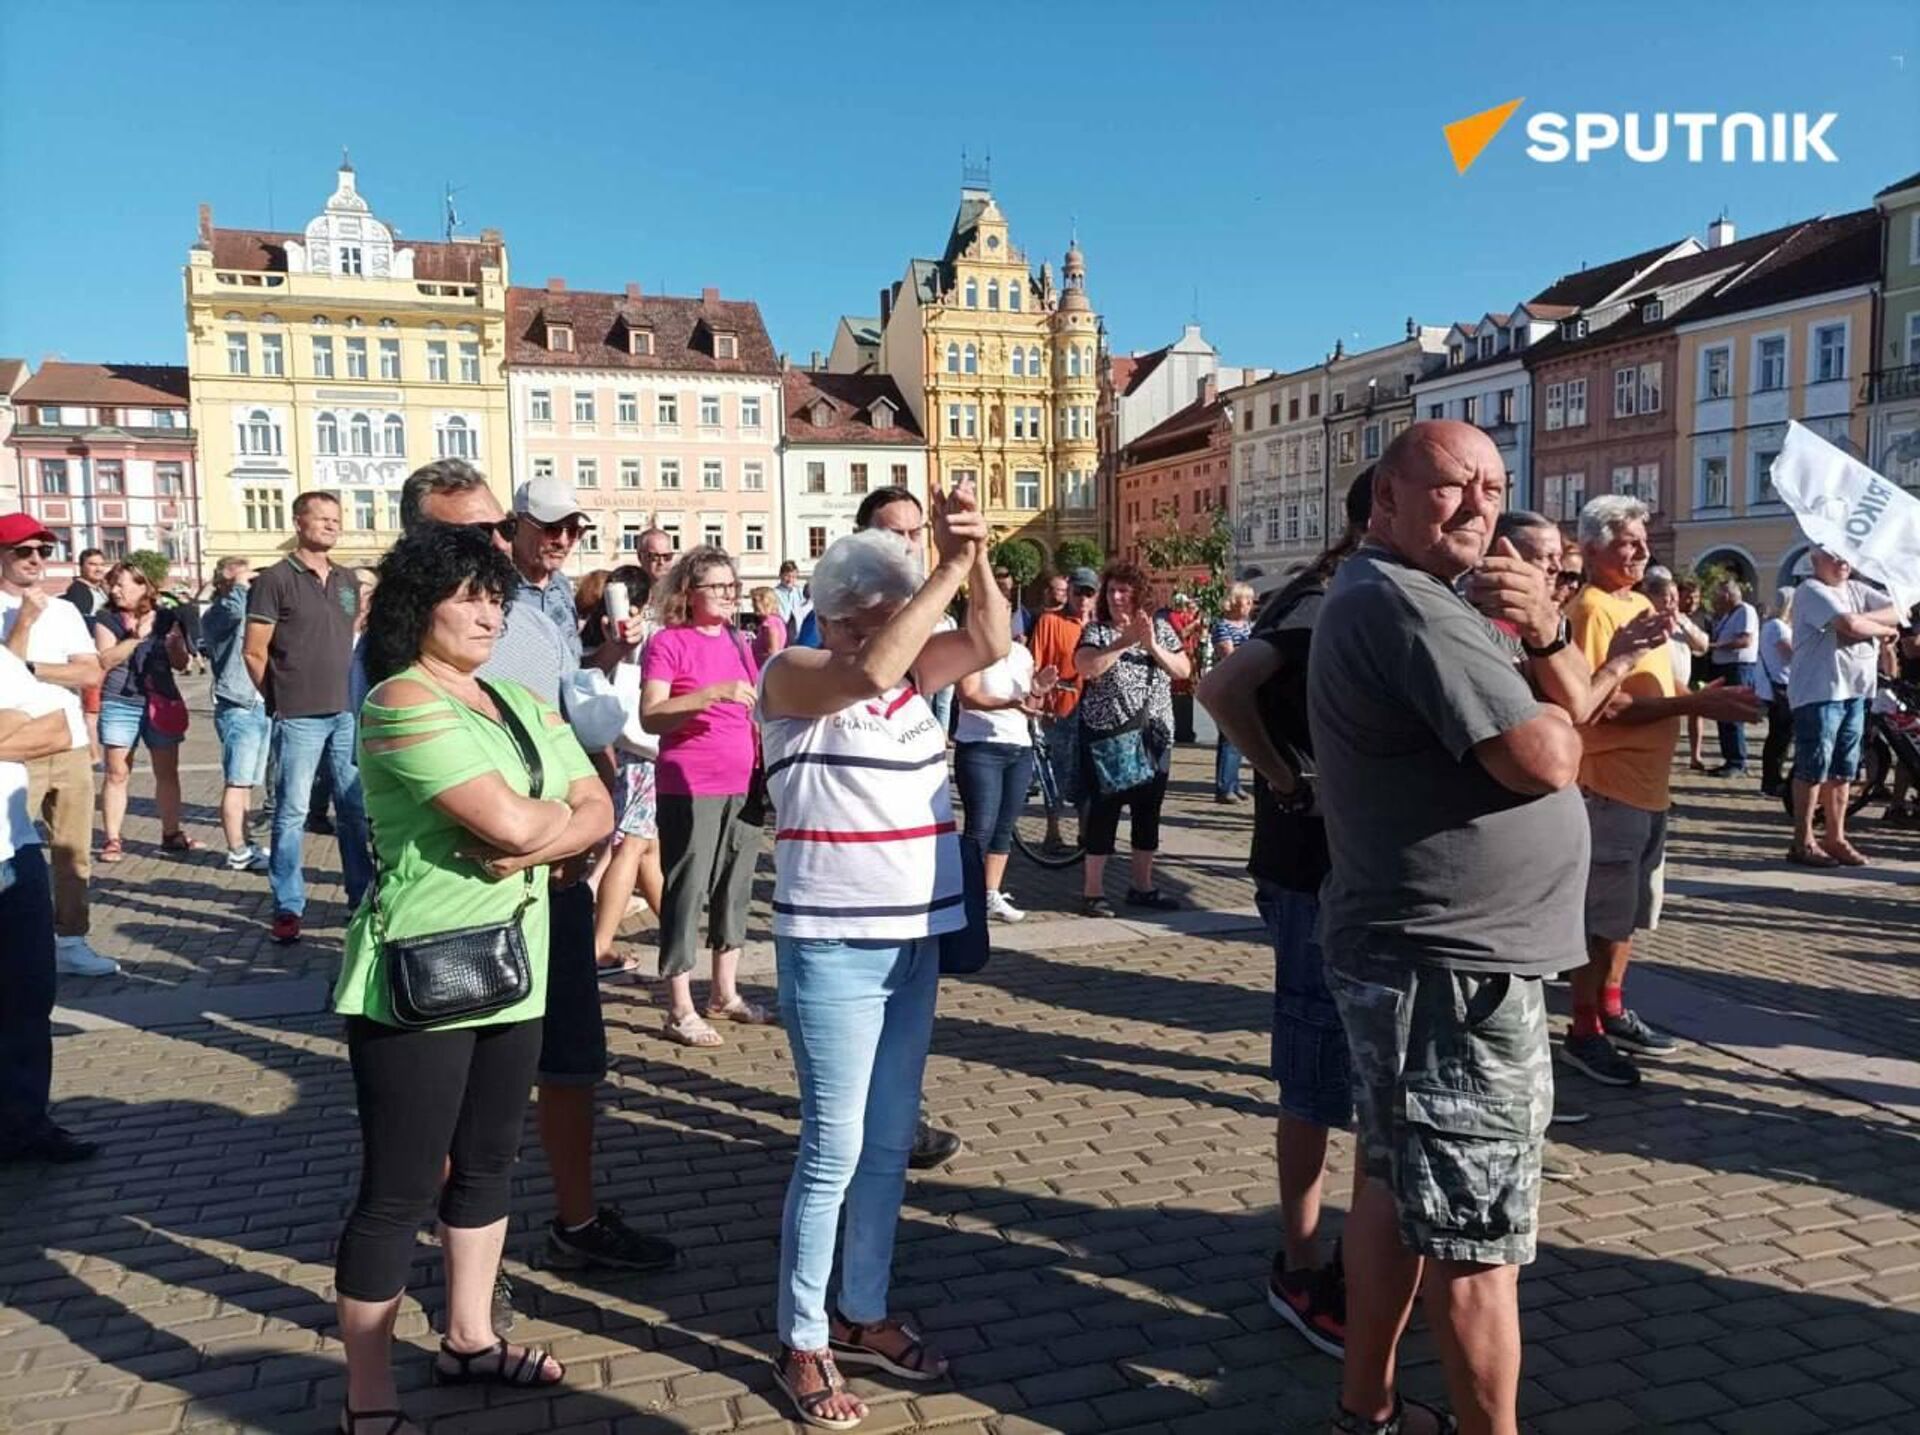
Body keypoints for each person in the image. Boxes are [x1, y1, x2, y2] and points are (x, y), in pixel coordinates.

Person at [1310, 421, 1588, 1435]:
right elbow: (1548, 755)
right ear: (1385, 500)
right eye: (1452, 486)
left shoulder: (1408, 595)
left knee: (1394, 1186)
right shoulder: (1410, 604)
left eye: (1494, 485)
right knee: (1479, 1251)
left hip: (1425, 957)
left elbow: (1556, 736)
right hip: (1452, 971)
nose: (1479, 504)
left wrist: (1544, 654)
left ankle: (1366, 1410)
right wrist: (1552, 642)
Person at [330, 524, 611, 1435]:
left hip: (515, 965)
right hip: (420, 973)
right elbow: (512, 824)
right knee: (399, 1189)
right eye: (466, 595)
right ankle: (368, 1400)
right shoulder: (399, 703)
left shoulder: (516, 700)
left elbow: (593, 807)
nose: (488, 610)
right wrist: (546, 829)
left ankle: (468, 1334)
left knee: (490, 1163)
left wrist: (551, 831)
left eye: (495, 593)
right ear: (420, 607)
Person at [757, 490, 1007, 1430]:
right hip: (832, 941)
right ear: (843, 613)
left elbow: (985, 640)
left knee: (889, 1141)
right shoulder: (796, 670)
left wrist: (973, 553)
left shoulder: (907, 677)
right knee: (834, 1146)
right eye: (883, 611)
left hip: (916, 935)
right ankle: (802, 1334)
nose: (901, 627)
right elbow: (869, 672)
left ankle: (860, 1310)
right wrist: (938, 565)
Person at [398, 462, 676, 1283]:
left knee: (571, 1061)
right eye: (466, 532)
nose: (488, 547)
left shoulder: (528, 620)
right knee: (462, 1092)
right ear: (418, 541)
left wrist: (567, 831)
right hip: (457, 898)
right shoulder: (397, 641)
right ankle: (461, 1274)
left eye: (490, 529)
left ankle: (577, 1219)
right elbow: (425, 796)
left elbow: (583, 765)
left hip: (550, 887)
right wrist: (557, 823)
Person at [1197, 470, 1374, 1362]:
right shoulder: (1323, 598)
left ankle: (1341, 1254)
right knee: (1313, 1067)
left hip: (1342, 867)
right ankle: (1300, 1263)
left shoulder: (1335, 588)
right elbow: (1222, 685)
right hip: (1312, 867)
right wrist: (1281, 775)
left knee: (1345, 1066)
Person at [1560, 497, 1761, 1091]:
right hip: (1608, 784)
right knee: (1599, 920)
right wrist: (1694, 704)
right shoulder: (1592, 609)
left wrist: (1701, 692)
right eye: (1629, 543)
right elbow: (1601, 703)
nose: (1643, 551)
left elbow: (1657, 681)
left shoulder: (1640, 604)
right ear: (1594, 548)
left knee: (1629, 918)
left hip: (1648, 788)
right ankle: (1583, 1029)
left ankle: (1613, 1009)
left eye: (1643, 540)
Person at [641, 545, 769, 1047]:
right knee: (687, 889)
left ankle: (724, 992)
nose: (726, 595)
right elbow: (652, 713)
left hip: (745, 779)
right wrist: (711, 695)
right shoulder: (668, 643)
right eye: (715, 586)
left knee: (735, 888)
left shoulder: (740, 640)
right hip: (691, 782)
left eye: (730, 586)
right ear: (688, 593)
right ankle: (679, 1005)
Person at [245, 491, 371, 944]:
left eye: (336, 519)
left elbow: (349, 637)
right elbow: (253, 650)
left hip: (345, 711)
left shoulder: (345, 578)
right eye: (322, 519)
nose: (332, 526)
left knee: (354, 810)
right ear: (299, 522)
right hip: (297, 713)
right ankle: (288, 905)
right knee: (292, 811)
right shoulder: (275, 579)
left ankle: (362, 899)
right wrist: (278, 698)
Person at [0, 645, 100, 1164]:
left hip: (14, 854)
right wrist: (11, 726)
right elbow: (31, 730)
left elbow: (58, 729)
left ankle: (23, 1125)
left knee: (27, 995)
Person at [0, 515, 112, 974]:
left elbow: (90, 672)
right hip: (14, 747)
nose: (35, 560)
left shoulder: (64, 610)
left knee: (72, 848)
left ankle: (71, 939)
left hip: (67, 743)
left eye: (43, 552)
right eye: (23, 551)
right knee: (12, 851)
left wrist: (32, 669)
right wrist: (23, 625)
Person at [1075, 562, 1189, 917]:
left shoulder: (1160, 630)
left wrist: (1152, 645)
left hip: (1153, 737)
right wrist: (1125, 642)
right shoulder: (1097, 631)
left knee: (1147, 812)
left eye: (1124, 591)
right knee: (1104, 813)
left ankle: (1143, 886)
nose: (1116, 597)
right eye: (1111, 591)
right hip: (1109, 737)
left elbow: (1183, 671)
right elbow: (1087, 667)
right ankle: (1093, 891)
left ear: (1139, 594)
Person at [1786, 548, 1903, 867]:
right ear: (1815, 561)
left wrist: (1872, 623)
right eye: (1833, 557)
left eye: (1846, 557)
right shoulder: (1810, 590)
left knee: (1844, 768)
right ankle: (1803, 840)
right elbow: (1847, 624)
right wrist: (1883, 629)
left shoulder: (1855, 589)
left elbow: (1898, 610)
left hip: (1856, 690)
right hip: (1820, 690)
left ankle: (1835, 837)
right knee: (1813, 766)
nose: (1842, 563)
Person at [93, 562, 196, 860]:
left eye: (121, 584)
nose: (114, 590)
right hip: (120, 701)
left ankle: (171, 833)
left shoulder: (166, 617)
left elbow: (181, 665)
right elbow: (106, 660)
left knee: (167, 772)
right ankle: (112, 839)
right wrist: (136, 637)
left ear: (142, 587)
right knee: (116, 772)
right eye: (112, 584)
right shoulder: (106, 618)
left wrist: (176, 647)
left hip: (161, 699)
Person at [594, 562, 665, 979]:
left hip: (625, 749)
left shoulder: (611, 628)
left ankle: (676, 928)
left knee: (647, 848)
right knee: (632, 845)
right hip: (643, 752)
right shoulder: (645, 633)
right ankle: (599, 944)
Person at [954, 630, 1049, 923]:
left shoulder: (1022, 653)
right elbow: (968, 696)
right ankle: (964, 896)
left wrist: (1038, 690)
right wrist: (1007, 703)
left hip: (1019, 746)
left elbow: (1031, 709)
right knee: (980, 827)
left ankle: (990, 893)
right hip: (980, 746)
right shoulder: (972, 649)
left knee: (1004, 828)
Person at [200, 557, 271, 871]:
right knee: (237, 781)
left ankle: (245, 842)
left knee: (247, 784)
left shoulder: (250, 609)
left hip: (259, 702)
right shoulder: (217, 614)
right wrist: (240, 584)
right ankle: (237, 850)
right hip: (237, 704)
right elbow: (231, 609)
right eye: (238, 575)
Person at [1030, 566, 1097, 850]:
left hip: (1093, 710)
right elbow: (1035, 663)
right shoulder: (1050, 621)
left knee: (1088, 772)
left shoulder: (1099, 625)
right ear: (1068, 592)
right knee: (1055, 771)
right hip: (1059, 708)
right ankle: (1052, 830)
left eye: (1089, 593)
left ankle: (1085, 831)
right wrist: (1037, 702)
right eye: (1078, 592)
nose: (1083, 598)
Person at [1706, 579, 1759, 777]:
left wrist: (1715, 646)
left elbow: (1745, 640)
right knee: (1723, 715)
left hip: (1737, 668)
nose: (1715, 601)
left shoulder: (1746, 611)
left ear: (1727, 596)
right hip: (1724, 667)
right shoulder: (1728, 614)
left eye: (1717, 597)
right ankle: (1729, 759)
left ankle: (1738, 761)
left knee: (1733, 715)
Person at [1210, 583, 1257, 801]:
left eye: (1250, 600)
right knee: (1229, 737)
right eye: (1246, 599)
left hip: (1245, 685)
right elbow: (1229, 655)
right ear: (1234, 601)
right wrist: (1251, 651)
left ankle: (1234, 783)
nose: (1250, 604)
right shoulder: (1222, 626)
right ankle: (1224, 786)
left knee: (1241, 739)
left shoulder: (1248, 626)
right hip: (1228, 685)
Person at [1756, 587, 1796, 799]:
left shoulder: (1770, 625)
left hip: (1777, 685)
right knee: (1780, 738)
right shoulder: (1779, 627)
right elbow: (1790, 654)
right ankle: (1771, 781)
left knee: (1778, 737)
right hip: (1783, 686)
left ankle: (1771, 780)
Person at [1675, 579, 1713, 770]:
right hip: (1675, 677)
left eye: (1696, 598)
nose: (1692, 602)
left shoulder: (1701, 618)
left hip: (1698, 671)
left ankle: (1695, 755)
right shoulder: (1669, 616)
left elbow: (1706, 644)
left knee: (1696, 713)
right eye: (1688, 598)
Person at [1166, 592, 1200, 742]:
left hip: (1191, 657)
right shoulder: (1173, 616)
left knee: (1188, 694)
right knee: (1178, 695)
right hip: (1179, 656)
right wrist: (1195, 623)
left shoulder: (1188, 616)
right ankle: (1179, 730)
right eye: (1184, 604)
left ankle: (1187, 730)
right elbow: (1182, 633)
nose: (1185, 607)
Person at [61, 548, 107, 620]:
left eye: (102, 564)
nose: (99, 569)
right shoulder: (78, 592)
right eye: (93, 564)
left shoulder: (101, 588)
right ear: (81, 567)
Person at [751, 585, 788, 666]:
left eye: (756, 602)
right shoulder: (778, 620)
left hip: (765, 670)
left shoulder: (769, 623)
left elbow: (773, 653)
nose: (753, 606)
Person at [994, 562, 1032, 641]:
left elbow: (1028, 635)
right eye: (1000, 587)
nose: (1004, 593)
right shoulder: (982, 608)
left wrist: (1025, 640)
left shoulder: (1023, 613)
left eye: (1006, 589)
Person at [775, 559, 811, 639]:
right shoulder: (774, 593)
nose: (790, 580)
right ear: (780, 575)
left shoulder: (800, 591)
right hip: (782, 630)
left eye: (793, 577)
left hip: (798, 631)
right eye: (787, 576)